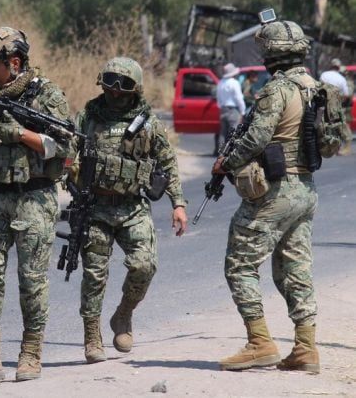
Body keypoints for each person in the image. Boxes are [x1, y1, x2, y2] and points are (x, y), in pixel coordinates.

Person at [0, 27, 72, 383]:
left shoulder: (46, 95)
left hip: (34, 198)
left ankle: (31, 353)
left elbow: (64, 147)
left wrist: (19, 133)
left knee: (31, 280)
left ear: (15, 63)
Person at [212, 19, 322, 373]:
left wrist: (224, 164)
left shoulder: (277, 90)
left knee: (240, 264)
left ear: (269, 53)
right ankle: (306, 348)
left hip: (276, 191)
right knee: (295, 268)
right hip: (305, 189)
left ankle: (259, 343)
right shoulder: (314, 86)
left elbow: (256, 138)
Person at [70, 57, 187, 364]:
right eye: (109, 83)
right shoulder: (88, 117)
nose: (115, 91)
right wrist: (70, 171)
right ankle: (91, 335)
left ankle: (123, 315)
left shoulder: (147, 122)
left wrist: (178, 204)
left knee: (144, 266)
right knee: (94, 275)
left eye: (123, 85)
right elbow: (68, 155)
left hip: (132, 207)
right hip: (96, 207)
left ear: (134, 89)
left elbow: (168, 163)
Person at [216, 63, 246, 151]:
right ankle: (231, 153)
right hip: (233, 110)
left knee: (223, 133)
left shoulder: (220, 83)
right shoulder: (235, 83)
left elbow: (218, 100)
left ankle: (221, 152)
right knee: (233, 133)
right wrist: (242, 111)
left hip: (223, 109)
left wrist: (221, 107)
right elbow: (239, 98)